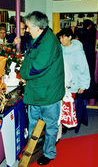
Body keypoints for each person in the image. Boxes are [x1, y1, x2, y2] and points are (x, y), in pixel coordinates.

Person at [20, 11, 65, 165]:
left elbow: (36, 68)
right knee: (33, 125)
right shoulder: (40, 38)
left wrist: (23, 73)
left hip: (48, 93)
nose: (26, 30)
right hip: (37, 91)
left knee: (50, 126)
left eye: (28, 27)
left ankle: (49, 153)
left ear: (38, 27)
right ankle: (34, 150)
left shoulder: (49, 42)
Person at [57, 28, 90, 133]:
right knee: (61, 106)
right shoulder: (59, 49)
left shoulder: (77, 51)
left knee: (71, 106)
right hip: (61, 82)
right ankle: (63, 126)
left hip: (74, 83)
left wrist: (83, 85)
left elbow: (84, 69)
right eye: (60, 38)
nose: (61, 40)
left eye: (63, 37)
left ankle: (71, 124)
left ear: (70, 37)